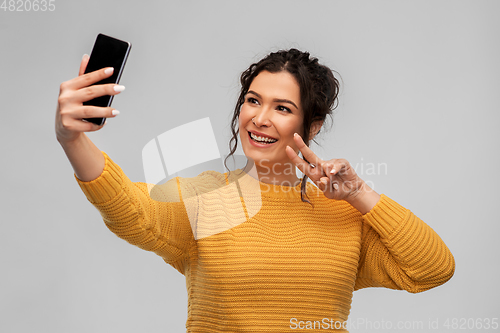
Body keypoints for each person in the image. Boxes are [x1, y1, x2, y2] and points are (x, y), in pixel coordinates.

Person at [56, 49, 455, 332]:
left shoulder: (344, 215)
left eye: (282, 108)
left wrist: (359, 194)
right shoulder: (203, 199)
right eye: (252, 101)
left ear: (312, 126)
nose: (260, 119)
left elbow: (433, 269)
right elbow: (132, 211)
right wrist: (72, 140)